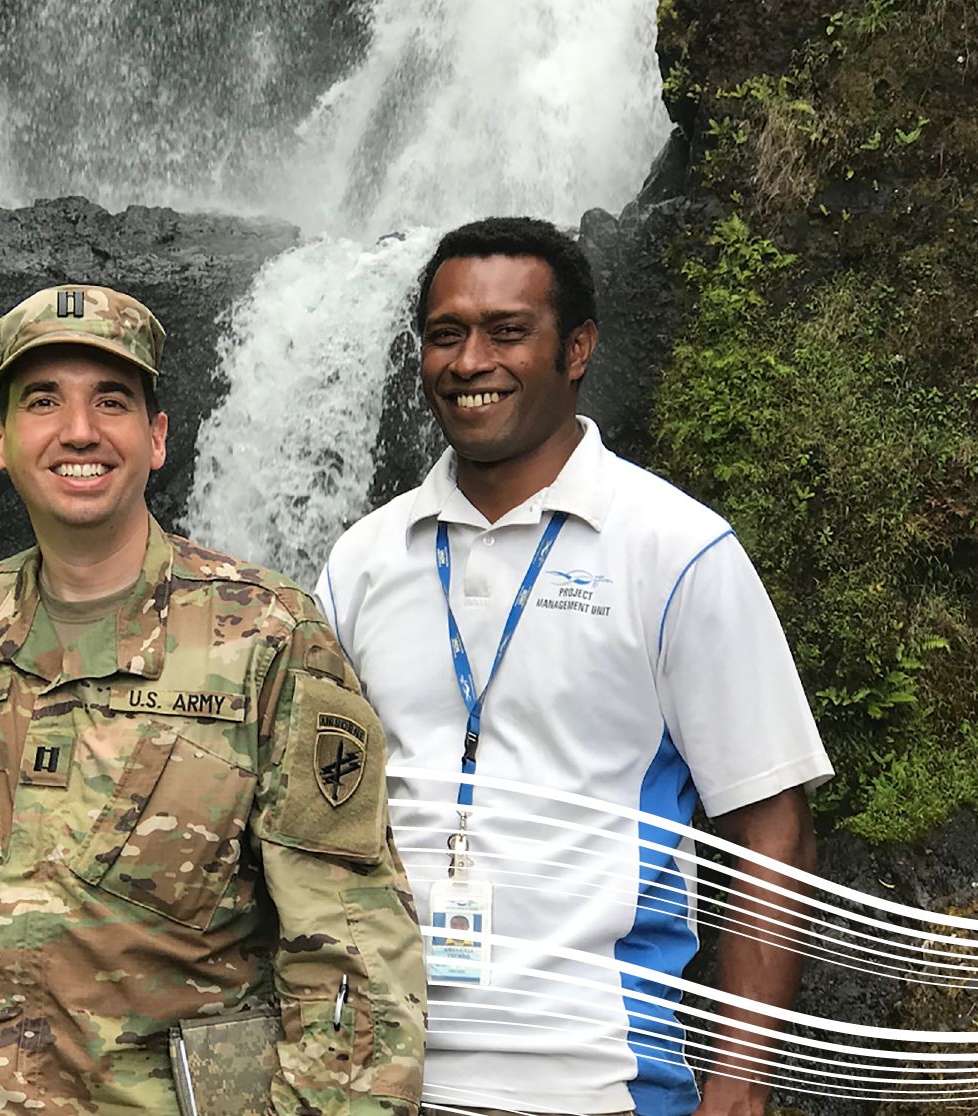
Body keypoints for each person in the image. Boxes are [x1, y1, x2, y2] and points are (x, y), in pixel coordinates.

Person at [0, 285, 428, 1116]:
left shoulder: (269, 637)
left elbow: (354, 952)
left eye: (110, 401)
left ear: (156, 438)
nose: (79, 430)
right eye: (44, 402)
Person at [315, 217, 833, 1116]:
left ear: (579, 347)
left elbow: (773, 823)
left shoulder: (676, 551)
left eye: (507, 331)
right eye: (446, 335)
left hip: (601, 1080)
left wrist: (739, 1085)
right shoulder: (361, 560)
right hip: (374, 1080)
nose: (470, 360)